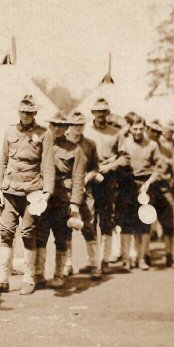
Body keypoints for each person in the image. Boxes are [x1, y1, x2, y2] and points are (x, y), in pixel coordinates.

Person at [0, 95, 55, 296]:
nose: (26, 115)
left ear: (35, 114)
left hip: (33, 192)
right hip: (9, 190)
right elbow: (3, 161)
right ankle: (2, 280)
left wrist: (47, 193)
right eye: (23, 112)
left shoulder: (44, 134)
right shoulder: (9, 131)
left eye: (30, 112)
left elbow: (48, 165)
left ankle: (29, 278)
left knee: (27, 233)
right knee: (6, 232)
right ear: (18, 112)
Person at [116, 115, 174, 271]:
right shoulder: (125, 143)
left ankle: (142, 258)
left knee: (144, 224)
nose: (138, 131)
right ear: (131, 129)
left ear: (145, 129)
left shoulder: (152, 145)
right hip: (127, 186)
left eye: (141, 128)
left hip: (146, 188)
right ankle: (126, 259)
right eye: (135, 128)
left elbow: (158, 168)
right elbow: (119, 162)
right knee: (127, 225)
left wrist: (148, 184)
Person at [34, 113, 85, 289]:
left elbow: (78, 178)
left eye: (62, 126)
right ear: (49, 125)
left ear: (67, 128)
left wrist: (75, 203)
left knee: (61, 237)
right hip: (42, 198)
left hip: (62, 199)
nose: (57, 128)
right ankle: (38, 274)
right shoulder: (40, 145)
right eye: (54, 124)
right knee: (39, 236)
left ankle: (59, 273)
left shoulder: (74, 150)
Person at [83, 98, 124, 274]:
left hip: (108, 181)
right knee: (89, 220)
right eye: (98, 111)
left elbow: (124, 157)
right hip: (90, 180)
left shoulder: (116, 132)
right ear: (92, 113)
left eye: (104, 111)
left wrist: (108, 167)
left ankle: (105, 259)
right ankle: (93, 261)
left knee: (106, 220)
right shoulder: (85, 131)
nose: (101, 114)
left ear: (108, 113)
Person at [66, 111, 103, 280]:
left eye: (81, 125)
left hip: (85, 191)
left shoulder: (89, 144)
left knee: (88, 226)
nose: (78, 128)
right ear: (69, 125)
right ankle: (66, 265)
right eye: (75, 124)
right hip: (65, 191)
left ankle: (95, 265)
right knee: (64, 228)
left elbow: (96, 167)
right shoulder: (61, 143)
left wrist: (87, 178)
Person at [147, 119, 174, 266]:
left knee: (168, 224)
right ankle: (145, 255)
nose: (154, 134)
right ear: (147, 130)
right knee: (145, 225)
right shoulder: (142, 147)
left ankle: (169, 254)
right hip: (146, 191)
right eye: (152, 131)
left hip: (163, 190)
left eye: (158, 132)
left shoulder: (167, 150)